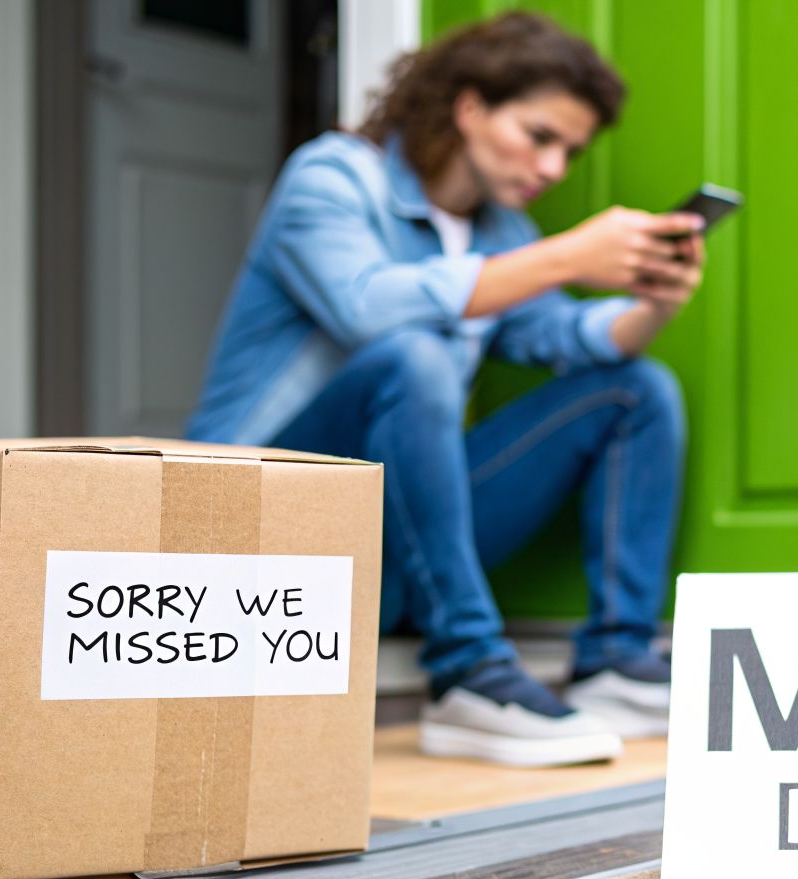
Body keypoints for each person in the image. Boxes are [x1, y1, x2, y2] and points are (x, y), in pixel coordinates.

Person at [186, 13, 702, 768]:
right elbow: (364, 305)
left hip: (390, 550)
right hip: (261, 530)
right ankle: (468, 672)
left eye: (572, 150)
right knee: (415, 357)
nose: (555, 167)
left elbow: (567, 339)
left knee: (634, 388)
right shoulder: (332, 176)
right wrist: (564, 256)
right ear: (469, 107)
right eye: (540, 136)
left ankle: (617, 660)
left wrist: (656, 300)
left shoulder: (504, 234)